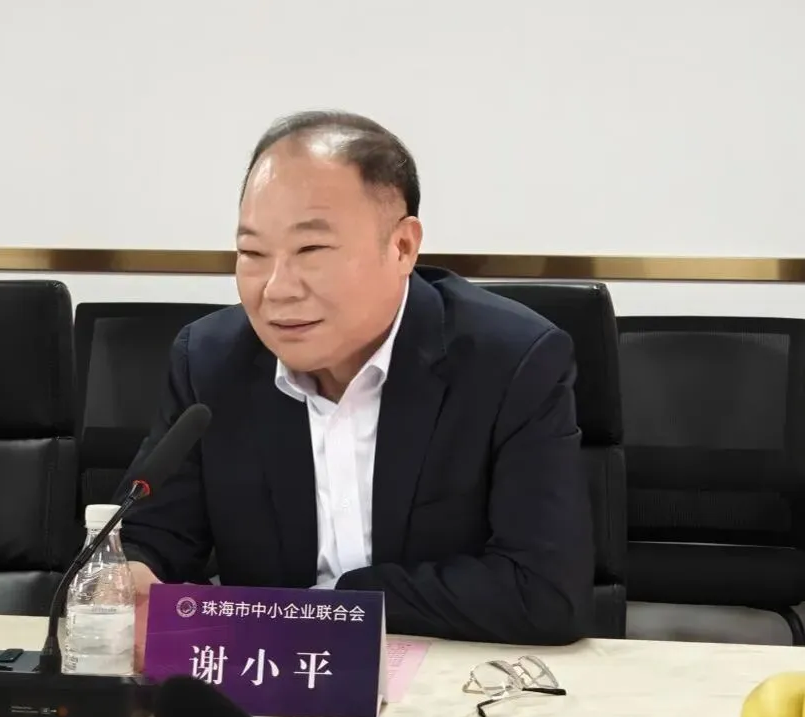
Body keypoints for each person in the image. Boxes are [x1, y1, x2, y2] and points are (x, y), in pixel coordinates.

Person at [121, 111, 594, 666]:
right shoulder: (209, 361)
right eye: (252, 254)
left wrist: (335, 608)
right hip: (266, 684)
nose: (276, 290)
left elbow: (543, 592)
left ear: (403, 247)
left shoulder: (510, 362)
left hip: (458, 687)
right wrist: (130, 573)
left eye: (312, 251)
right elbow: (148, 535)